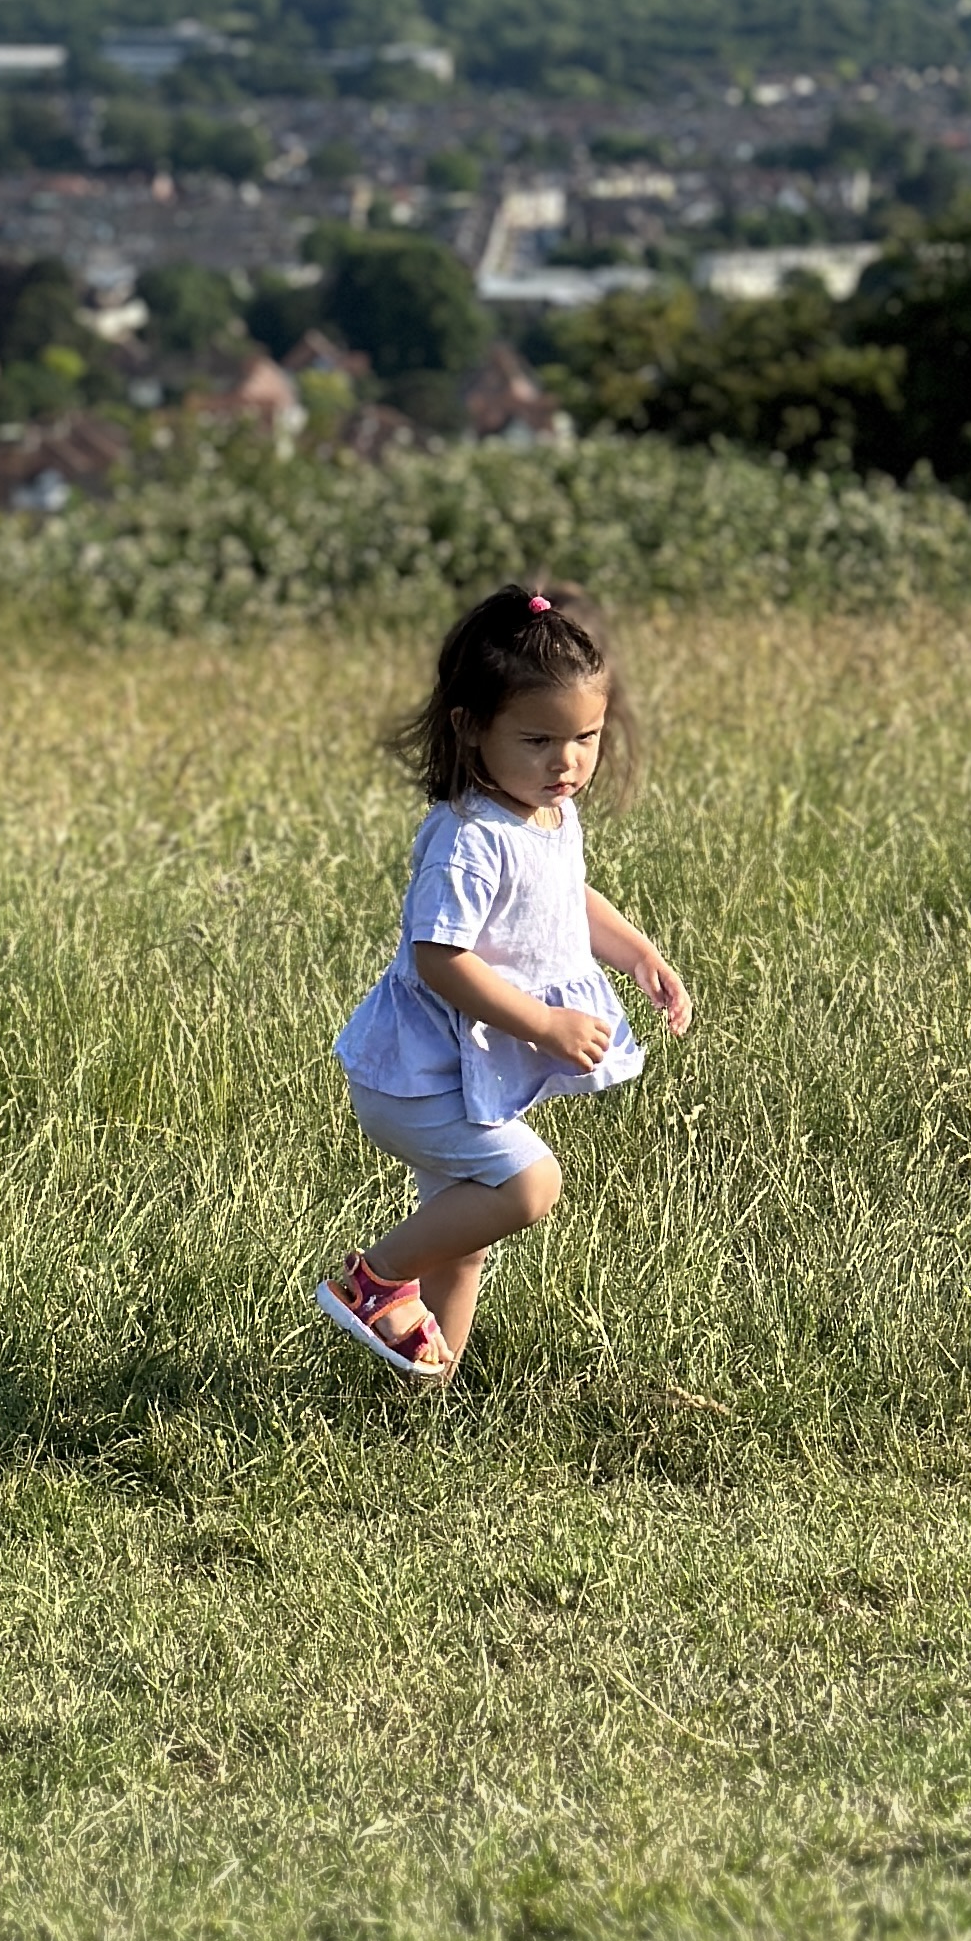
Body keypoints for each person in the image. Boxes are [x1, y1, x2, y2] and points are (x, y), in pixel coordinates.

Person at [317, 580, 692, 1386]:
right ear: (470, 727)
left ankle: (425, 1395)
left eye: (586, 737)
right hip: (415, 1079)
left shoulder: (547, 813)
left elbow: (563, 896)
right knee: (528, 1183)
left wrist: (637, 954)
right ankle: (373, 1281)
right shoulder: (469, 839)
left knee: (464, 1240)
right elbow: (439, 958)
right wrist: (543, 1026)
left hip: (454, 1075)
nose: (567, 761)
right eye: (537, 740)